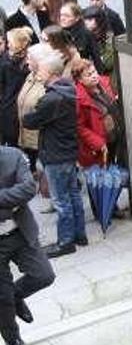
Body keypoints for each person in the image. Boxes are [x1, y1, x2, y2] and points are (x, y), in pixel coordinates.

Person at [22, 42, 88, 259]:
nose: (37, 72)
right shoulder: (66, 89)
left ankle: (65, 241)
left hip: (56, 153)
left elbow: (30, 120)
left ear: (49, 72)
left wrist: (30, 112)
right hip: (67, 151)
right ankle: (80, 235)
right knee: (73, 195)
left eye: (40, 69)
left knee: (61, 200)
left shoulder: (52, 98)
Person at [0, 145, 55, 345]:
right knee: (1, 296)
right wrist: (10, 203)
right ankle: (12, 340)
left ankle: (15, 296)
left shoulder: (12, 156)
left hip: (19, 232)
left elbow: (28, 188)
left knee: (43, 275)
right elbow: (18, 194)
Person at [70, 58, 117, 167]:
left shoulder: (105, 83)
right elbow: (79, 127)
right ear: (80, 80)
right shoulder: (78, 99)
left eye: (94, 72)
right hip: (100, 145)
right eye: (89, 75)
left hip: (116, 136)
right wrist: (98, 142)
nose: (94, 76)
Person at [0, 28, 33, 148]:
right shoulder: (5, 63)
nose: (7, 45)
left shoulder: (30, 61)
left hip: (25, 105)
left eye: (9, 42)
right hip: (9, 109)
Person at [16, 44, 44, 172]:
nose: (26, 61)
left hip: (39, 142)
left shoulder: (45, 81)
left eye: (29, 58)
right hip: (26, 136)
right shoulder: (30, 76)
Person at [59, 2, 105, 74]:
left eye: (67, 16)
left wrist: (99, 76)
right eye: (61, 15)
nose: (62, 18)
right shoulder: (58, 33)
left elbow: (96, 58)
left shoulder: (86, 34)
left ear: (77, 18)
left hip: (82, 73)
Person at [82, 6, 115, 84]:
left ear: (99, 21)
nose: (86, 22)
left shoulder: (109, 38)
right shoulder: (86, 36)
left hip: (108, 79)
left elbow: (107, 63)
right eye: (85, 19)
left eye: (90, 20)